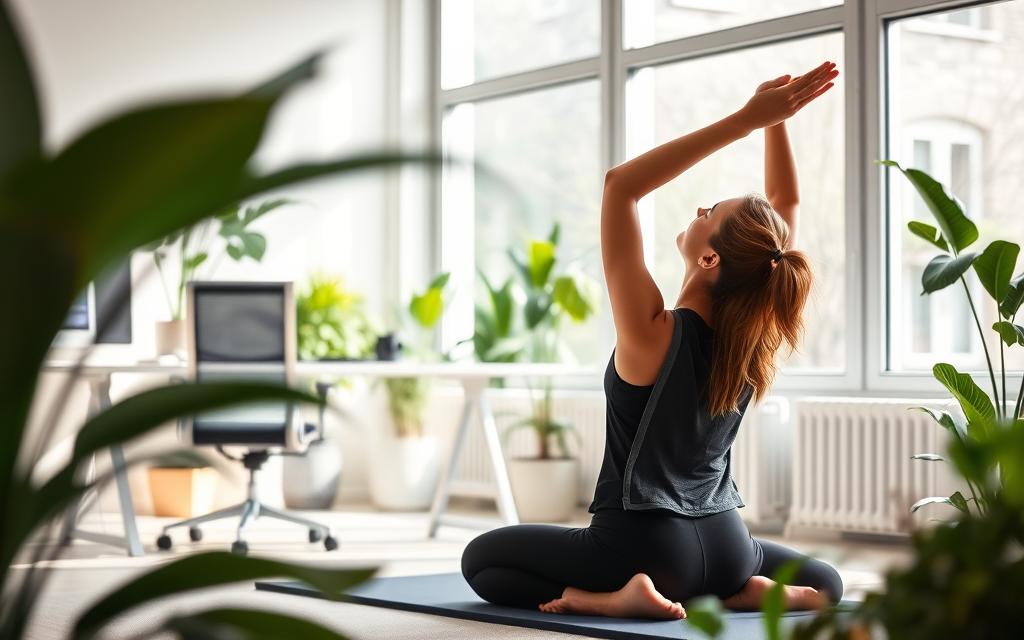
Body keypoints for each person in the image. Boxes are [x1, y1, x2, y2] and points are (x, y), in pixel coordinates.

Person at [461, 61, 843, 620]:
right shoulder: (753, 337)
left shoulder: (653, 332)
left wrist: (746, 120)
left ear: (709, 259)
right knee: (827, 581)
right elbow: (782, 212)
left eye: (710, 212)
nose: (699, 209)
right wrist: (774, 120)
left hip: (643, 548)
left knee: (483, 563)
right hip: (730, 543)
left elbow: (621, 187)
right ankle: (736, 591)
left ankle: (610, 599)